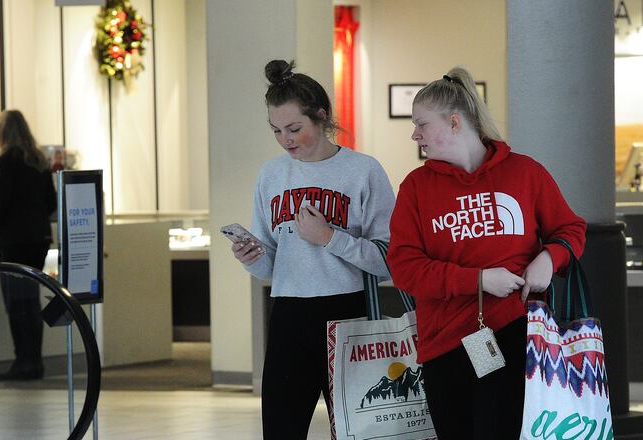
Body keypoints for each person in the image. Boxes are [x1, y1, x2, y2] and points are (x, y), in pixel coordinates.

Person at [386, 67, 586, 439]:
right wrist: (478, 280)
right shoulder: (416, 188)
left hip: (516, 332)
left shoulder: (524, 173)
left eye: (422, 124)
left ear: (455, 122)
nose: (415, 134)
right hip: (443, 341)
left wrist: (549, 258)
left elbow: (570, 229)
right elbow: (404, 268)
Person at [231, 59, 395, 438]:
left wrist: (330, 238)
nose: (285, 139)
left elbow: (389, 259)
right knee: (280, 429)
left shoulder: (363, 170)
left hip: (348, 313)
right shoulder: (271, 174)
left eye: (294, 128)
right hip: (288, 312)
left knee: (357, 431)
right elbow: (271, 265)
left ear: (321, 117)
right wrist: (252, 258)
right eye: (276, 130)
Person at [0, 110, 57, 380]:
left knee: (16, 303)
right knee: (30, 300)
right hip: (38, 239)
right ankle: (35, 361)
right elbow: (51, 201)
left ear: (2, 132)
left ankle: (23, 362)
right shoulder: (38, 159)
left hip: (14, 241)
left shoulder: (8, 160)